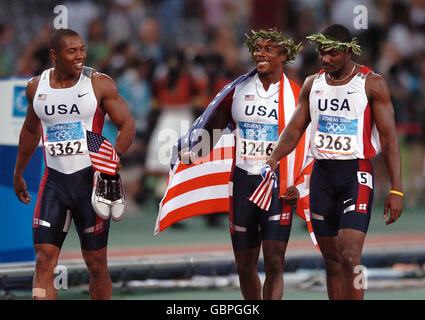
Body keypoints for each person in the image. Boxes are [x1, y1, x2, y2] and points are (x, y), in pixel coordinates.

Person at [266, 24, 403, 300]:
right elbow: (294, 130)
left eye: (331, 54)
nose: (325, 59)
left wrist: (396, 189)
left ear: (347, 51)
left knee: (351, 255)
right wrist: (272, 160)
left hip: (355, 174)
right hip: (322, 177)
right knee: (332, 260)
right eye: (321, 53)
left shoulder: (371, 83)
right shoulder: (312, 84)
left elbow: (389, 141)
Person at [181, 29, 310, 300]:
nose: (260, 53)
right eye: (257, 48)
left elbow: (309, 143)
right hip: (242, 183)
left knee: (274, 263)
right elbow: (216, 127)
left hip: (277, 185)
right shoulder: (236, 90)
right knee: (244, 266)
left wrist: (301, 184)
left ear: (284, 55)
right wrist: (194, 153)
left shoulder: (298, 95)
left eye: (269, 49)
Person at [13, 29, 135, 300]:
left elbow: (127, 125)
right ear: (54, 55)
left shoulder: (99, 84)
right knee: (44, 260)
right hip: (54, 183)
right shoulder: (36, 87)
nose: (81, 56)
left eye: (82, 49)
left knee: (96, 265)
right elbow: (31, 132)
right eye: (73, 51)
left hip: (90, 185)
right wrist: (18, 172)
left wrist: (111, 164)